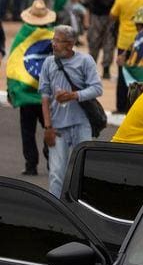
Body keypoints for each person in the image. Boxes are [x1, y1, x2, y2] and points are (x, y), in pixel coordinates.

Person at [38, 26, 103, 198]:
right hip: (57, 128)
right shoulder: (48, 63)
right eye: (53, 40)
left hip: (82, 125)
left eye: (58, 41)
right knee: (56, 173)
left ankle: (80, 209)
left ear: (70, 44)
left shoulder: (85, 61)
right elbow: (44, 97)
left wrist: (74, 95)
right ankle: (56, 211)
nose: (53, 44)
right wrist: (47, 127)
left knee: (82, 169)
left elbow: (97, 89)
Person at [7, 0, 56, 177]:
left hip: (26, 94)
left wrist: (11, 90)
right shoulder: (53, 35)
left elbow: (13, 65)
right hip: (47, 96)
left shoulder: (21, 37)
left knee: (27, 132)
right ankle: (52, 160)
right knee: (50, 127)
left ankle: (31, 165)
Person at [84, 0, 124, 80]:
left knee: (109, 43)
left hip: (112, 17)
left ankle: (106, 69)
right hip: (96, 16)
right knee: (93, 42)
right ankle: (91, 70)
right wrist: (87, 19)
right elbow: (87, 1)